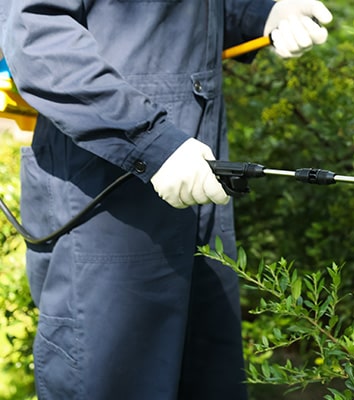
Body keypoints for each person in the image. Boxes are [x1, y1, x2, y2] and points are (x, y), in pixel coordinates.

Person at [0, 0, 332, 398]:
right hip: (104, 202)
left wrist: (262, 14)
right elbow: (36, 33)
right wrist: (151, 141)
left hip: (196, 189)